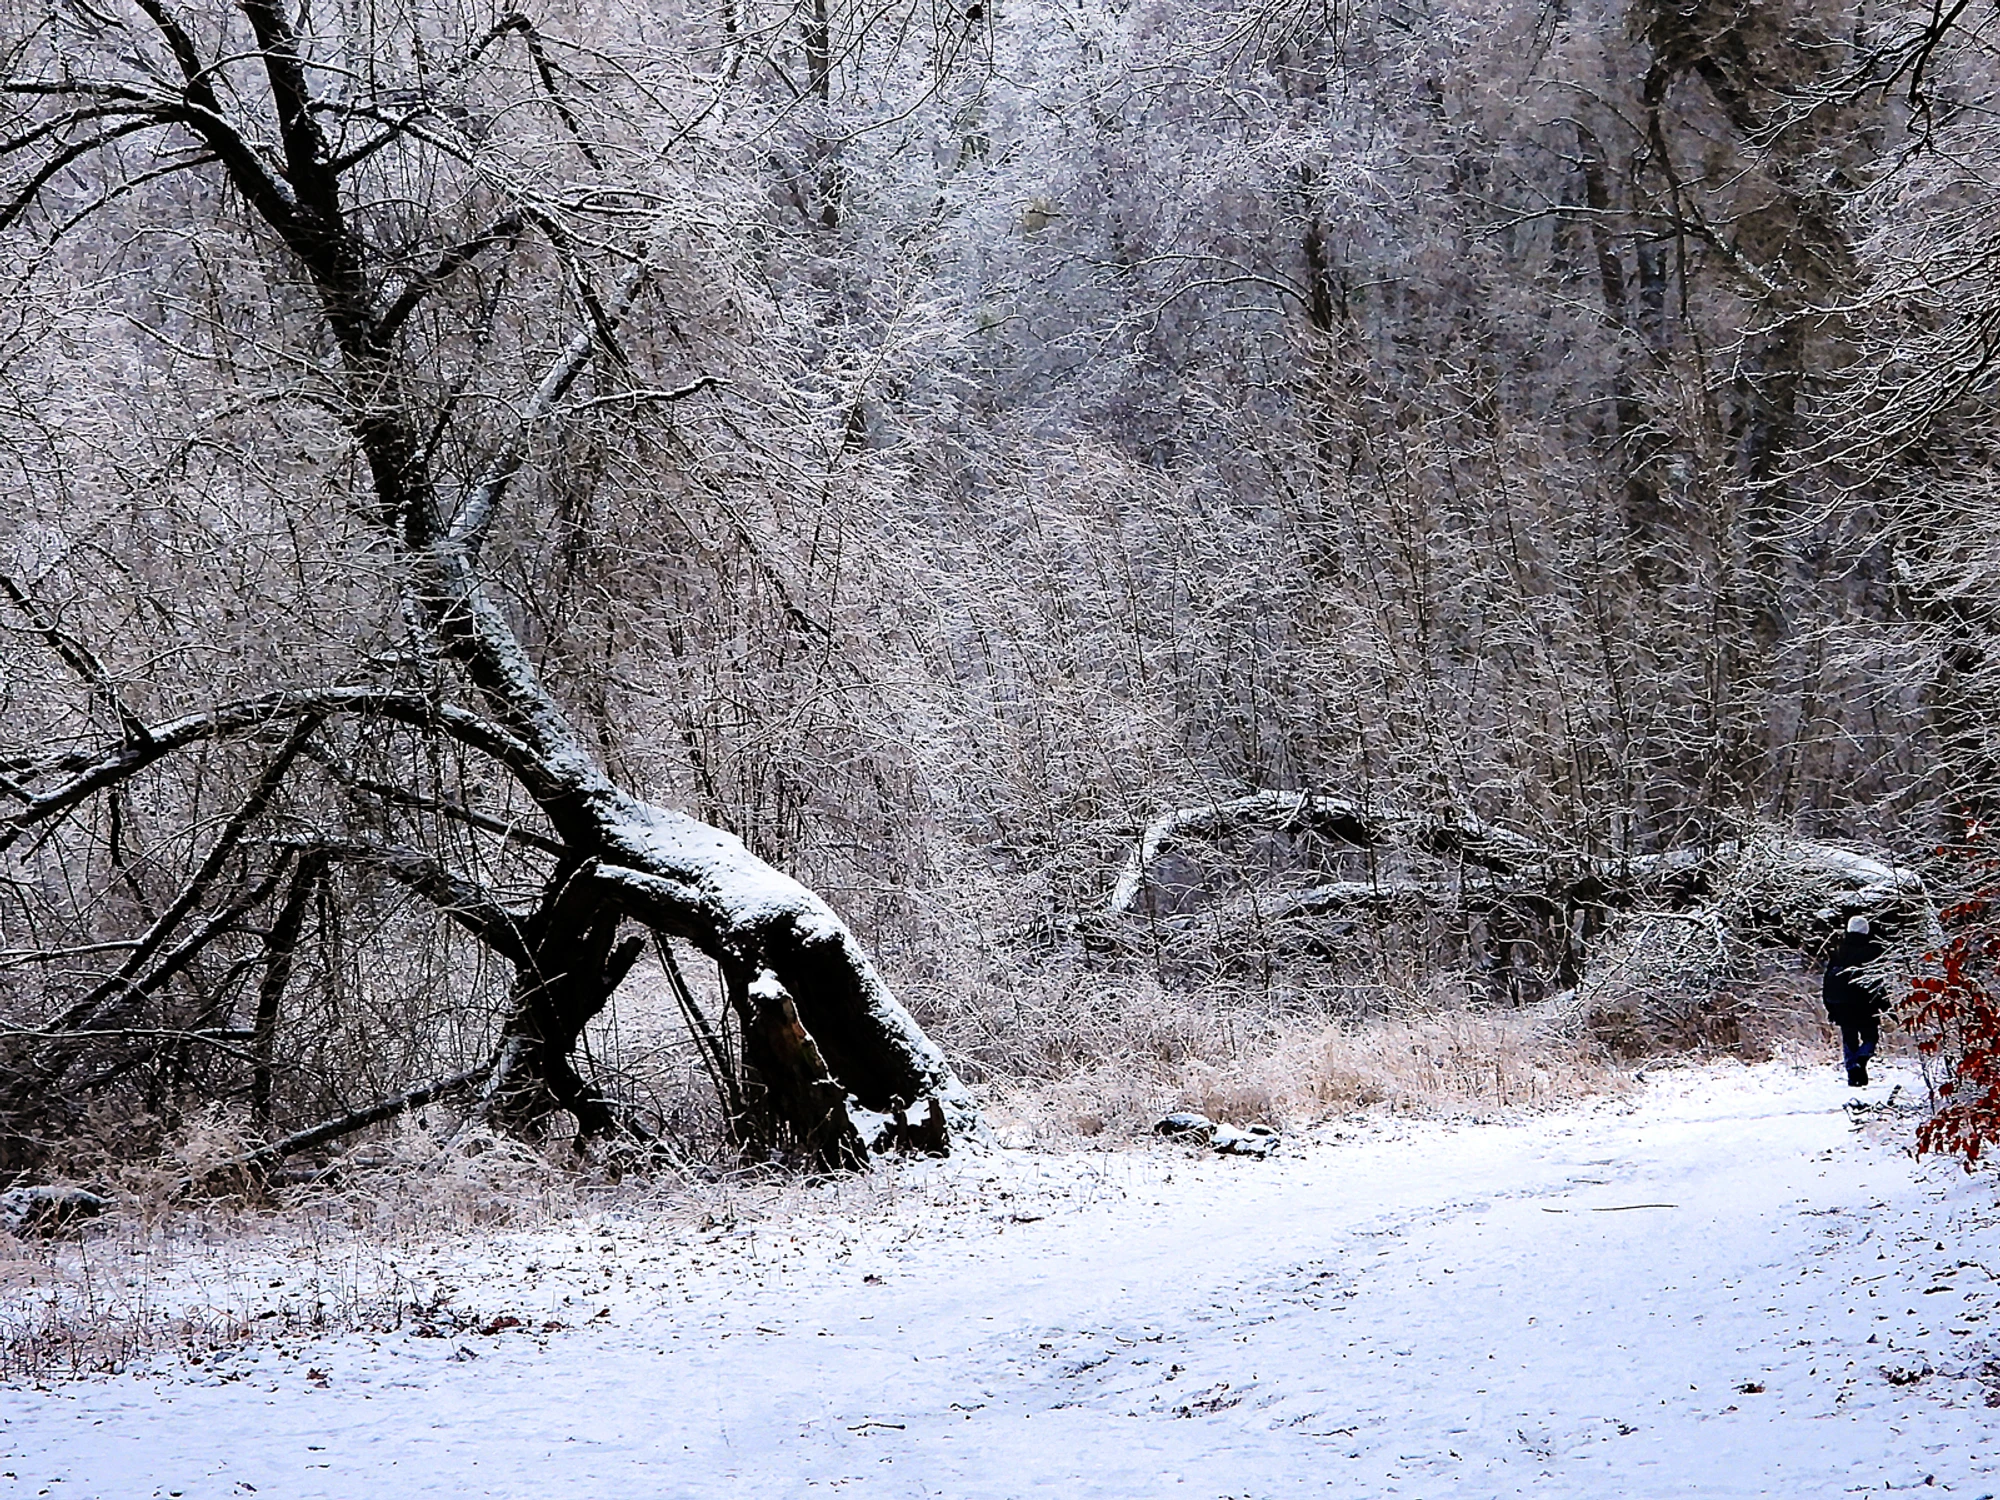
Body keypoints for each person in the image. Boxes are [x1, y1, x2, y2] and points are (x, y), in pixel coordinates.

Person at [1823, 914, 1887, 1087]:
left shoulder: (1838, 951)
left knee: (1849, 1038)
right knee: (1870, 1038)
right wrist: (1885, 1004)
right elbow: (1877, 982)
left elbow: (1827, 980)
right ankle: (1861, 1059)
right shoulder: (1872, 951)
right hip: (1865, 1004)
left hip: (1841, 1005)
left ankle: (1853, 1070)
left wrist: (1829, 1006)